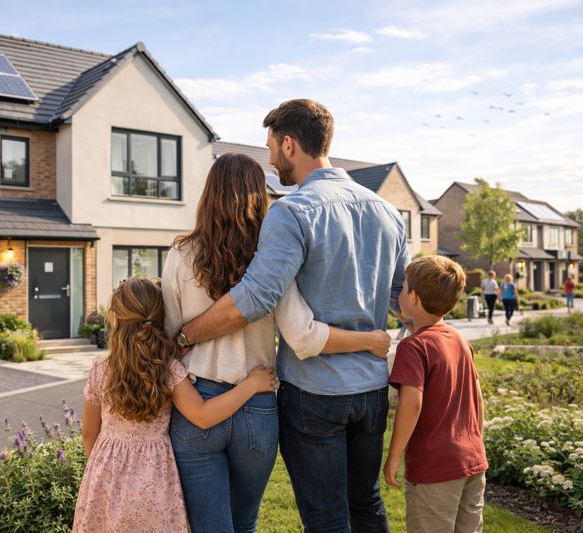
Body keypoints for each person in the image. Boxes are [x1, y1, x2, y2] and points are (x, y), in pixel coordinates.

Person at [178, 99, 409, 532]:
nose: (269, 159)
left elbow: (257, 297)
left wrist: (188, 333)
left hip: (315, 394)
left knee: (326, 518)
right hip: (372, 390)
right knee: (366, 504)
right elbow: (404, 299)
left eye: (270, 147)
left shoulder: (293, 210)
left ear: (289, 144)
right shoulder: (388, 213)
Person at [73, 278, 279, 533]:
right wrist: (251, 385)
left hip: (107, 476)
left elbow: (89, 434)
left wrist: (102, 470)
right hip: (154, 479)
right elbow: (203, 416)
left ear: (114, 319)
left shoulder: (100, 371)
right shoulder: (167, 369)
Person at [384, 255, 488, 532]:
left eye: (404, 288)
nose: (400, 294)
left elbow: (412, 403)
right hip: (472, 460)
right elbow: (477, 397)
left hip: (435, 468)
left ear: (414, 298)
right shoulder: (459, 341)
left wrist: (394, 456)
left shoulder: (413, 348)